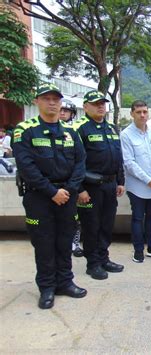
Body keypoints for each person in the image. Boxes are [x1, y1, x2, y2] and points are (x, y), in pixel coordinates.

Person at [12, 83, 87, 309]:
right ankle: (46, 287)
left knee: (65, 242)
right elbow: (26, 167)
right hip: (39, 197)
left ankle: (65, 282)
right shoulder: (25, 130)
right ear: (37, 101)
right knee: (44, 243)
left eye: (56, 99)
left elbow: (80, 163)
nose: (52, 103)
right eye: (47, 99)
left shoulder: (70, 132)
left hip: (66, 196)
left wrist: (69, 190)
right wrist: (52, 192)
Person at [74, 90, 125, 280]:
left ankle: (104, 258)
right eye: (96, 104)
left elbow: (118, 157)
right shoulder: (80, 128)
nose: (101, 106)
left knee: (106, 225)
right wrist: (80, 189)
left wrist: (120, 181)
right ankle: (93, 263)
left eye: (103, 103)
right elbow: (74, 161)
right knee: (91, 225)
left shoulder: (111, 128)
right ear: (86, 107)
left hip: (110, 185)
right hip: (90, 188)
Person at [120, 100, 151, 263]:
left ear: (149, 113)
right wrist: (148, 180)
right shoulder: (126, 134)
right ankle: (138, 250)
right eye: (139, 112)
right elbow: (129, 163)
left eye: (145, 112)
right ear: (132, 114)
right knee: (138, 218)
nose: (142, 115)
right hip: (138, 186)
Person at [59, 99, 84, 258]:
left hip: (74, 183)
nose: (62, 113)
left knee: (75, 217)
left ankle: (75, 243)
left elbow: (81, 158)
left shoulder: (76, 129)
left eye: (65, 111)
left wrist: (78, 186)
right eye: (60, 110)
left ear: (72, 114)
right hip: (55, 183)